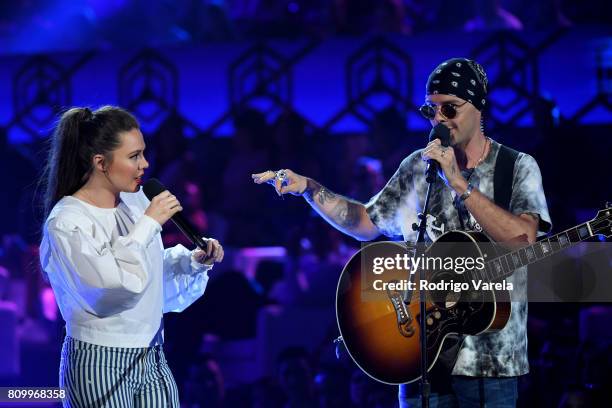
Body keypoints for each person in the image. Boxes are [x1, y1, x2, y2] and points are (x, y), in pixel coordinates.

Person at [253, 57, 552, 407]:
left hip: (488, 363)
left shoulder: (516, 167)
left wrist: (459, 184)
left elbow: (524, 239)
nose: (439, 119)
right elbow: (365, 222)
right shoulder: (417, 166)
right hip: (418, 357)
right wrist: (308, 188)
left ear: (478, 107)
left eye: (450, 109)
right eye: (431, 110)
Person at [39, 106, 224, 407]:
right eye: (134, 156)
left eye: (143, 153)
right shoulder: (67, 221)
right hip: (99, 360)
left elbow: (148, 280)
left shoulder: (137, 202)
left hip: (152, 353)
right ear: (101, 162)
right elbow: (110, 290)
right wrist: (148, 224)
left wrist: (192, 262)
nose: (145, 164)